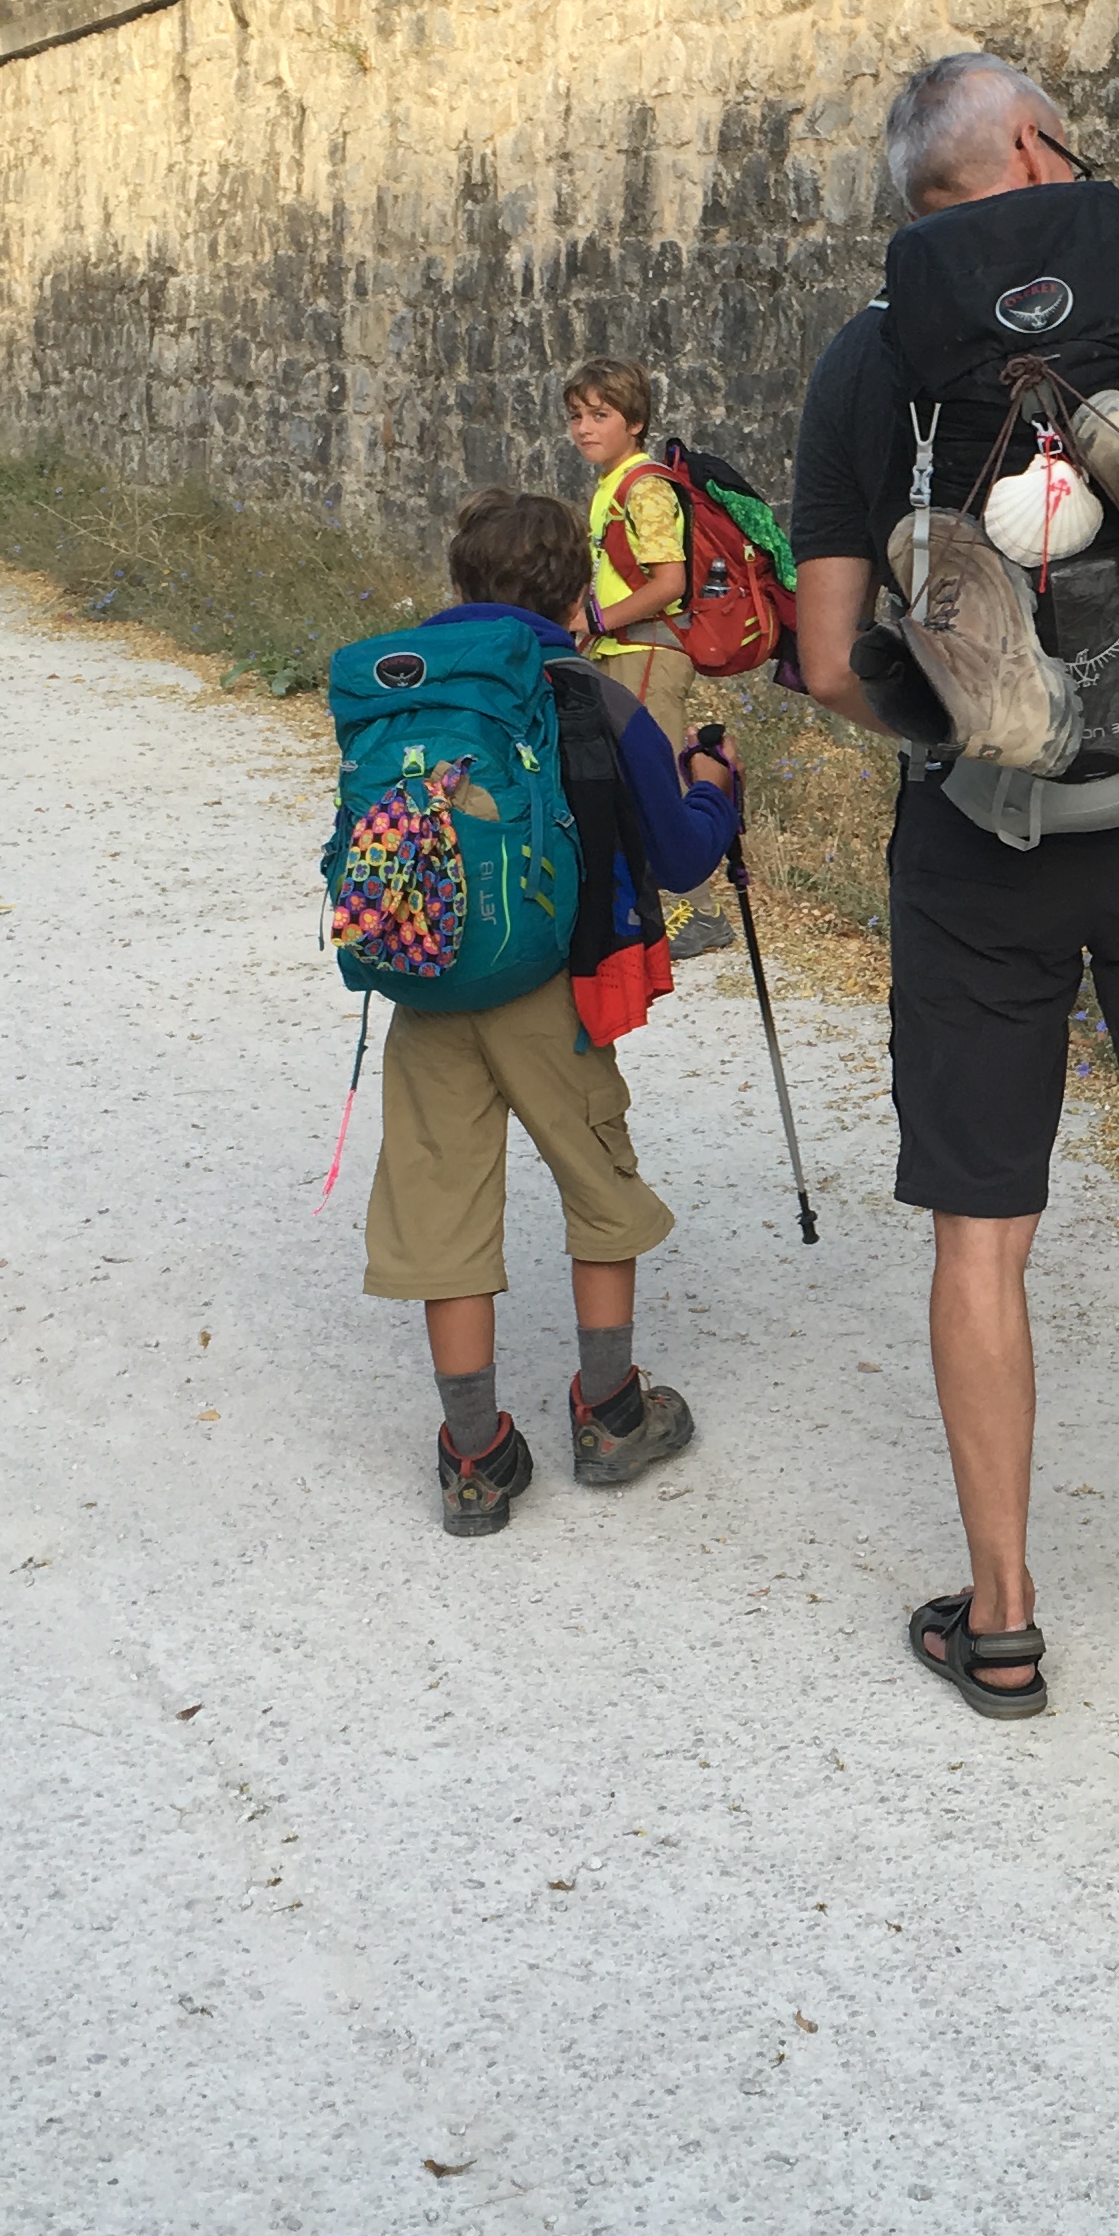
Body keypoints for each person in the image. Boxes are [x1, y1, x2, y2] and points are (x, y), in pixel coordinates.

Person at [786, 52, 1119, 1722]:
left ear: (921, 194)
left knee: (984, 1230)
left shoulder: (872, 353)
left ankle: (1006, 1615)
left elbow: (823, 659)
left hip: (978, 850)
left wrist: (951, 746)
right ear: (1036, 144)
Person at [362, 485, 742, 1532]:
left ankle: (476, 1457)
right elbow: (679, 851)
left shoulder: (405, 692)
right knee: (595, 1176)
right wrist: (716, 787)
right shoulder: (592, 692)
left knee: (439, 1198)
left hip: (430, 984)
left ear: (457, 584)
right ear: (579, 590)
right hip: (555, 990)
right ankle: (612, 1411)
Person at [566, 359, 736, 957]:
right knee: (634, 775)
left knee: (655, 777)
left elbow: (671, 582)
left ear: (635, 422)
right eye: (577, 416)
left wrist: (596, 620)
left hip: (649, 653)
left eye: (600, 415)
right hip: (622, 650)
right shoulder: (613, 484)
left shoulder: (645, 488)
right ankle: (658, 902)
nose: (584, 428)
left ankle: (704, 912)